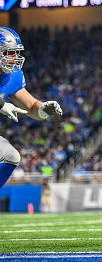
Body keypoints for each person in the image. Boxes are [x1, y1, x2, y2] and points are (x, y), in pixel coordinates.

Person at [0, 27, 63, 190]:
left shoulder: (12, 76)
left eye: (16, 53)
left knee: (10, 155)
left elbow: (31, 107)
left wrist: (42, 109)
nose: (15, 58)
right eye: (10, 53)